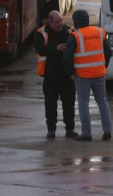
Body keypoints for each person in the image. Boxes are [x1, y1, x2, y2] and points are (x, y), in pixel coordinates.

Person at [63, 9, 113, 142]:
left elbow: (67, 58)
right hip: (99, 73)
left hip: (82, 76)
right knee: (102, 102)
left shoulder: (75, 36)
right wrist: (103, 67)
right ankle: (107, 131)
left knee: (83, 103)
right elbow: (108, 52)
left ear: (75, 21)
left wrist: (72, 73)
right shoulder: (99, 32)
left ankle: (87, 134)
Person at [35, 10, 78, 139]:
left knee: (69, 104)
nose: (60, 24)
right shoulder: (41, 33)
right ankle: (51, 130)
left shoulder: (70, 31)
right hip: (50, 75)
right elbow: (40, 50)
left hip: (67, 75)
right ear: (50, 22)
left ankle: (70, 129)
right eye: (57, 22)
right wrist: (56, 48)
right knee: (50, 104)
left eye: (62, 21)